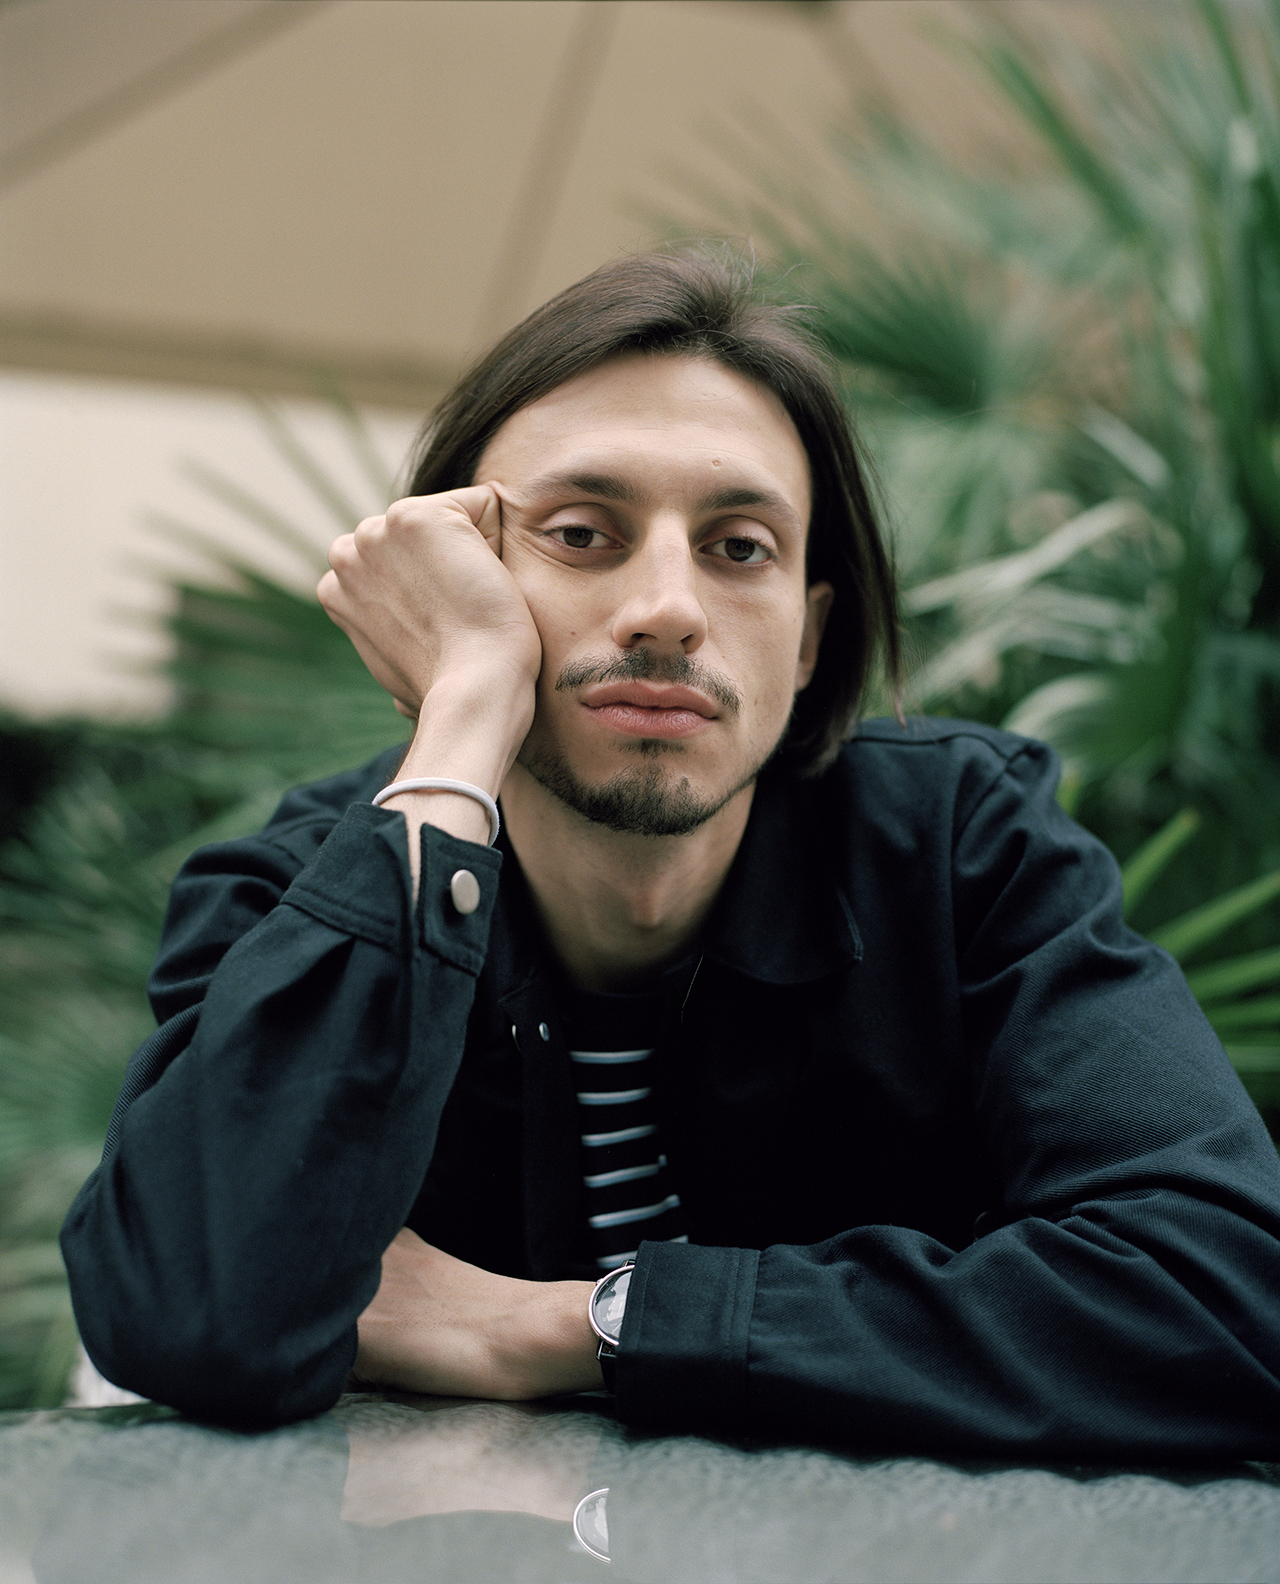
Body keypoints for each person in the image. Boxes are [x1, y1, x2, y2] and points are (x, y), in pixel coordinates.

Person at [62, 251, 1280, 1456]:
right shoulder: (301, 896)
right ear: (449, 584)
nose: (667, 609)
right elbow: (189, 1312)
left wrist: (568, 1327)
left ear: (806, 640)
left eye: (738, 547)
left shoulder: (960, 852)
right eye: (580, 533)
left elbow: (1226, 1298)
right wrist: (467, 704)